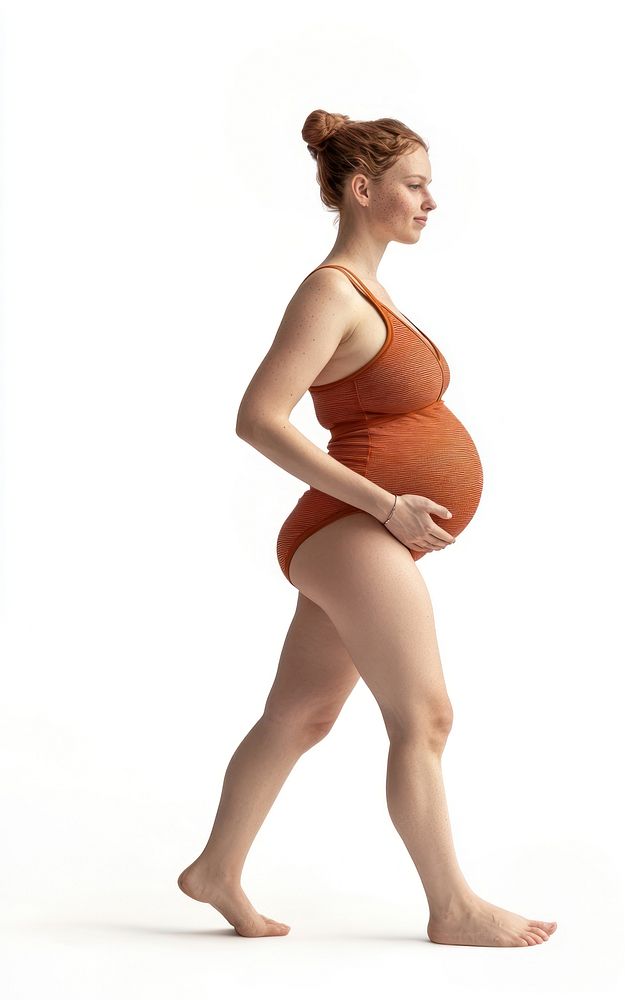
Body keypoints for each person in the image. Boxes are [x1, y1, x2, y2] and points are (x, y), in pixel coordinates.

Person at [177, 110, 558, 947]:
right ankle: (453, 907)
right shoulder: (329, 290)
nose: (430, 201)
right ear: (362, 190)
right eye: (414, 185)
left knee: (302, 714)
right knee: (424, 718)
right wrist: (387, 505)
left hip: (356, 531)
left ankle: (215, 869)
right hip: (354, 529)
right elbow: (258, 418)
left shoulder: (370, 290)